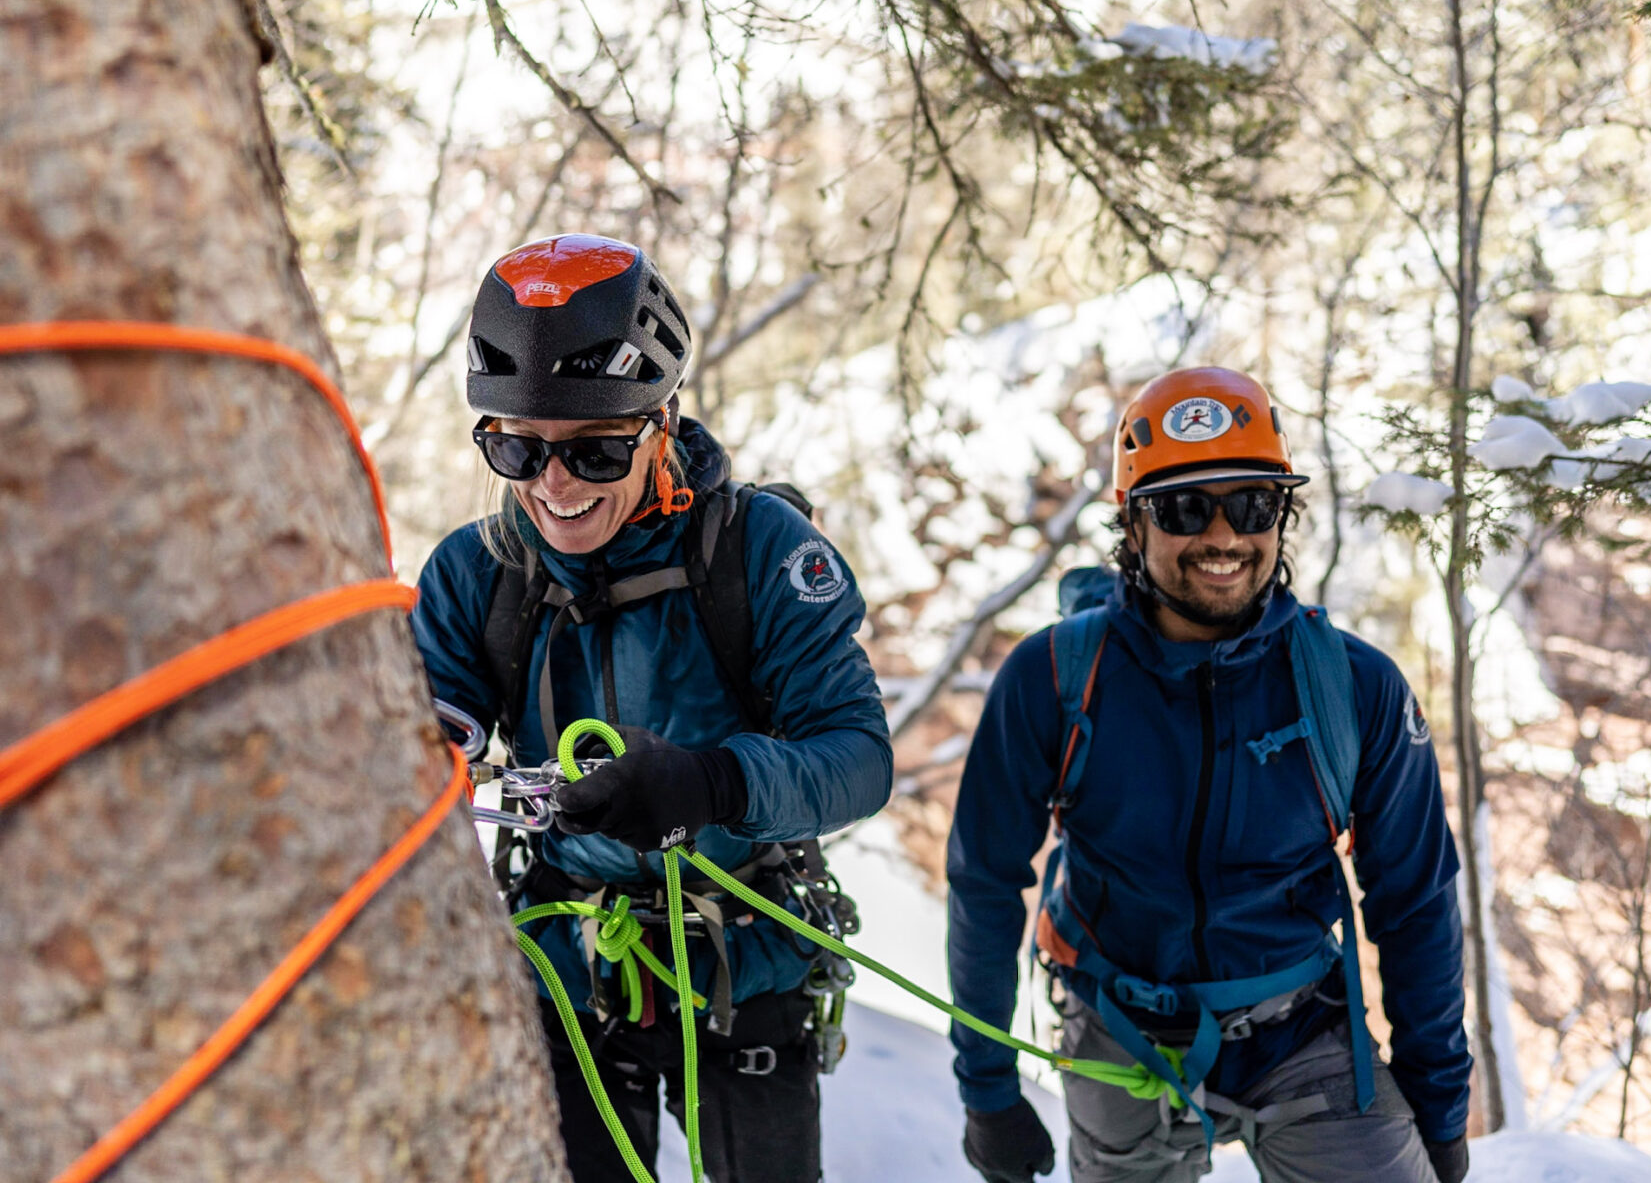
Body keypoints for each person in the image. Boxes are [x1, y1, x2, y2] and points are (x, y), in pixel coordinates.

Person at [411, 233, 891, 1183]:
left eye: (594, 453)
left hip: (746, 959)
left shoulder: (758, 553)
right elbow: (426, 753)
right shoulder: (477, 576)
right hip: (572, 963)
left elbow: (858, 759)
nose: (552, 485)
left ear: (660, 424)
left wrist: (712, 782)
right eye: (514, 446)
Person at [945, 367, 1470, 1183]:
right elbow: (984, 880)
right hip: (1120, 1022)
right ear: (1133, 524)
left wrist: (1439, 1105)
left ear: (1282, 516)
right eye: (1186, 508)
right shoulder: (1052, 678)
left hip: (1303, 1026)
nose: (1224, 536)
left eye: (1254, 504)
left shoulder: (1352, 686)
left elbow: (1415, 900)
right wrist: (986, 1088)